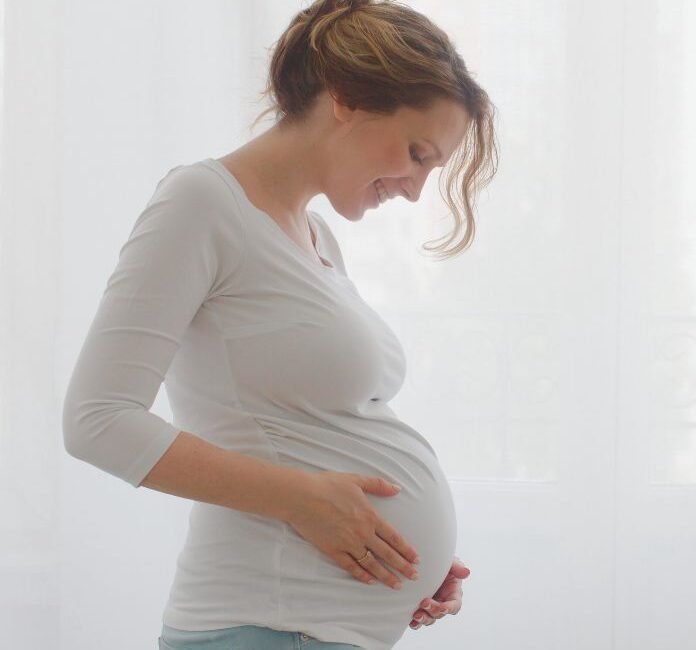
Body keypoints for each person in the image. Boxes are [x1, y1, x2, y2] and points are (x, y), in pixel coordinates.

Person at [60, 0, 498, 648]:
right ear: (346, 97)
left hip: (318, 629)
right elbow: (96, 420)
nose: (414, 189)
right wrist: (304, 501)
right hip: (259, 626)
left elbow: (307, 428)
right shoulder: (201, 202)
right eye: (415, 153)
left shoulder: (316, 235)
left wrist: (401, 559)